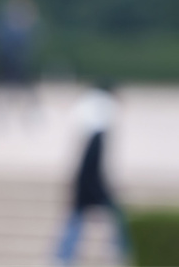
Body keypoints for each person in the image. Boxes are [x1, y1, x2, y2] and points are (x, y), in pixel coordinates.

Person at [55, 80, 130, 266]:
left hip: (87, 184)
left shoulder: (93, 134)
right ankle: (120, 252)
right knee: (110, 218)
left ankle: (64, 256)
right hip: (92, 184)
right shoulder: (98, 134)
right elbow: (93, 166)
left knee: (77, 220)